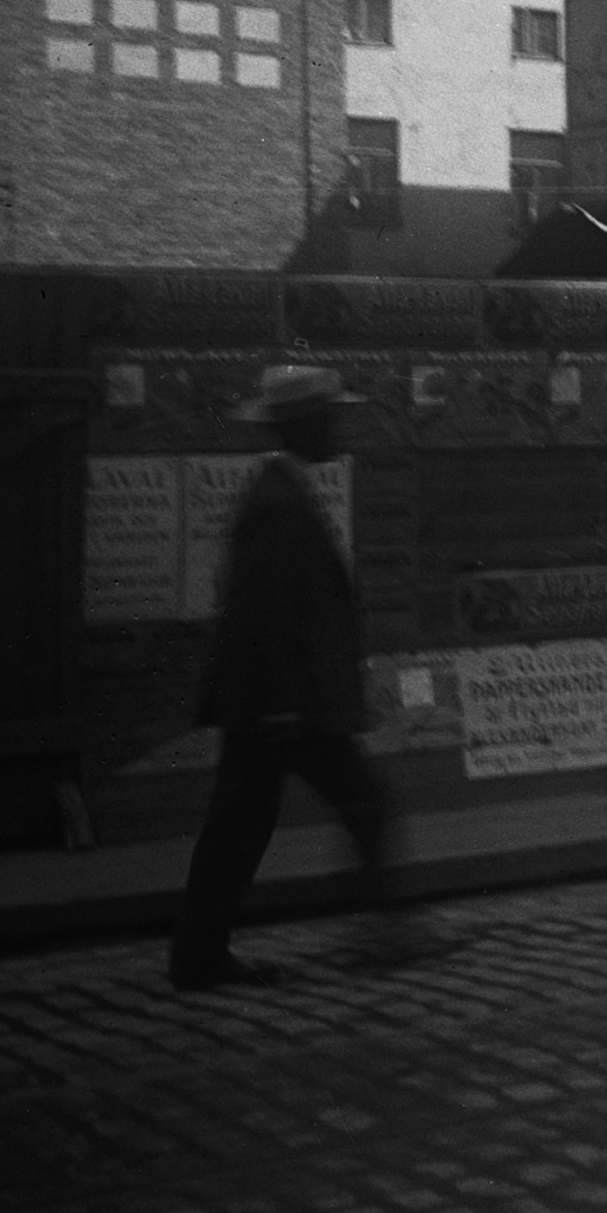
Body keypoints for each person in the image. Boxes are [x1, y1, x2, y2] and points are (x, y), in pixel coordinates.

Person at [171, 365, 401, 991]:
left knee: (240, 826)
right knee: (365, 802)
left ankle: (198, 956)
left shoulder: (283, 491)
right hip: (285, 705)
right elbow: (260, 617)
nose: (340, 428)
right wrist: (279, 706)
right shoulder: (278, 503)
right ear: (305, 425)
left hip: (277, 702)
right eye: (331, 418)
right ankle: (383, 933)